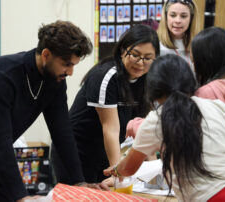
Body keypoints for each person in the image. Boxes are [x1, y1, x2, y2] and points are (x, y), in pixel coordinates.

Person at [0, 20, 107, 202]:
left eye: (74, 65)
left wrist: (79, 181)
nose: (71, 72)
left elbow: (62, 132)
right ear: (46, 54)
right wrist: (22, 197)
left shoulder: (55, 80)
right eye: (66, 64)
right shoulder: (0, 77)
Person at [104, 54, 225, 202]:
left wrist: (117, 169)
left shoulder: (156, 119)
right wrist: (224, 176)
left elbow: (128, 168)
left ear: (153, 89)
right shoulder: (219, 107)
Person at [52, 25, 160, 186]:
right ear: (123, 50)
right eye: (135, 55)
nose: (140, 63)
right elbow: (110, 128)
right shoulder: (107, 76)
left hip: (103, 153)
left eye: (148, 57)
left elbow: (143, 130)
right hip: (76, 151)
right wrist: (118, 174)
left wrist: (154, 173)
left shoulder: (148, 80)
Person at [157, 0, 199, 71]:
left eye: (183, 16)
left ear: (191, 19)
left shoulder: (198, 45)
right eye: (173, 15)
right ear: (165, 17)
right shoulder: (156, 44)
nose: (178, 20)